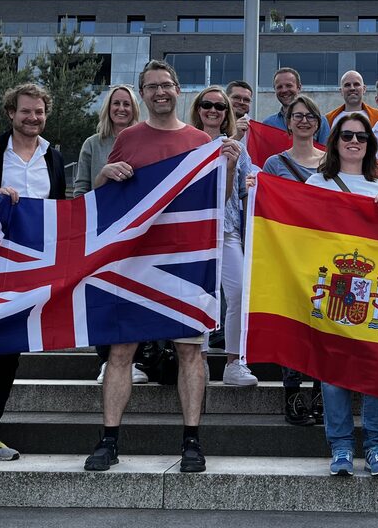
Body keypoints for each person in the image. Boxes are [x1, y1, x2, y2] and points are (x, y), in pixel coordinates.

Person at [83, 60, 242, 475]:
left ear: (177, 89)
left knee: (191, 350)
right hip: (134, 262)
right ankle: (109, 439)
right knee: (121, 351)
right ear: (143, 92)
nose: (160, 92)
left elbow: (217, 203)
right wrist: (104, 174)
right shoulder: (129, 137)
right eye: (151, 86)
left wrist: (225, 166)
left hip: (185, 261)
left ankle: (191, 440)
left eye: (166, 85)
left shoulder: (199, 140)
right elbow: (102, 199)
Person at [0, 83, 67, 462]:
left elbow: (59, 212)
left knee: (7, 354)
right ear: (10, 113)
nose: (33, 118)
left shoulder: (54, 156)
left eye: (39, 112)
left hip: (27, 268)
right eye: (26, 112)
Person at [305, 113, 378, 478]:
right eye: (347, 135)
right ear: (336, 141)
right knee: (334, 370)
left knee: (376, 369)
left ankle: (377, 445)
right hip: (332, 286)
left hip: (373, 286)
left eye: (361, 135)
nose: (354, 141)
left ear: (369, 142)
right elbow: (302, 231)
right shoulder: (316, 182)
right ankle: (341, 446)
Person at [74, 85, 150, 387]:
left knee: (136, 297)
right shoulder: (93, 144)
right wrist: (103, 177)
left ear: (135, 109)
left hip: (139, 233)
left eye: (127, 104)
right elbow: (80, 190)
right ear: (108, 108)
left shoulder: (146, 141)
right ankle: (106, 360)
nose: (122, 109)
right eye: (116, 103)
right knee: (104, 298)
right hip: (102, 232)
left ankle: (134, 360)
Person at [260, 93, 327, 425]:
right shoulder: (274, 164)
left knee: (321, 325)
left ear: (318, 122)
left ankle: (319, 392)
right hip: (289, 257)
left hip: (324, 257)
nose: (303, 121)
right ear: (287, 123)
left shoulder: (332, 162)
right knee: (293, 327)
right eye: (297, 116)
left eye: (310, 116)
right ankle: (293, 394)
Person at [188, 85, 258, 387]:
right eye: (208, 105)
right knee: (200, 296)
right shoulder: (186, 143)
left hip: (228, 231)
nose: (213, 110)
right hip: (194, 232)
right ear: (198, 108)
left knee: (240, 292)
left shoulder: (238, 149)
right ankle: (198, 359)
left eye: (220, 106)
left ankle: (234, 361)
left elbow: (240, 195)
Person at [262, 67, 329, 143]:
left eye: (289, 85)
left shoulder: (319, 120)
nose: (284, 90)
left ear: (299, 88)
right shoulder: (268, 124)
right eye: (279, 87)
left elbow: (327, 152)